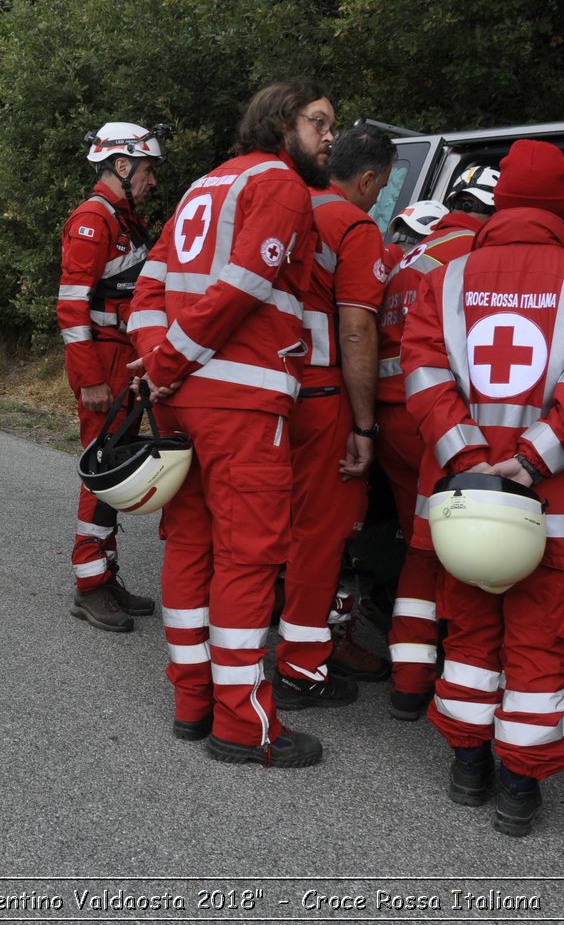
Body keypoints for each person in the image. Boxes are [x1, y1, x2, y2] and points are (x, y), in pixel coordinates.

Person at [401, 139, 564, 836]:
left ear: (500, 201)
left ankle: (468, 762)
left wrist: (469, 454)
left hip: (464, 499)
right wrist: (533, 458)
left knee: (470, 630)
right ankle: (517, 786)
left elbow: (421, 373)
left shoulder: (446, 279)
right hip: (552, 504)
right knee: (540, 642)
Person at [127, 80, 330, 767]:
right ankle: (244, 725)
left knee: (189, 544)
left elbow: (148, 288)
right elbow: (243, 285)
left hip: (182, 402)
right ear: (281, 125)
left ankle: (193, 700)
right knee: (248, 557)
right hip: (242, 405)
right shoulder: (280, 185)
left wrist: (159, 363)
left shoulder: (203, 185)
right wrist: (171, 360)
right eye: (318, 123)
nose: (329, 136)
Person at [272, 123, 394, 707]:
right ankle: (300, 667)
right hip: (323, 397)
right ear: (368, 179)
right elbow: (356, 328)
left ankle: (249, 644)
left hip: (271, 389)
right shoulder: (355, 224)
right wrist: (366, 426)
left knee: (273, 525)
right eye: (380, 186)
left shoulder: (286, 204)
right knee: (321, 535)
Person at [373, 163, 500, 721]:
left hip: (391, 417)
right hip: (437, 420)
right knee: (449, 550)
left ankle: (408, 677)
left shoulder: (413, 251)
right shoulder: (473, 254)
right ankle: (459, 675)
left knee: (419, 541)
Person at [59, 121, 165, 631]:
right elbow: (72, 307)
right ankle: (89, 584)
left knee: (116, 467)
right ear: (121, 166)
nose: (152, 181)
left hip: (120, 361)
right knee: (103, 473)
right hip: (102, 364)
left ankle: (105, 573)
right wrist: (90, 379)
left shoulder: (123, 219)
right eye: (147, 170)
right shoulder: (93, 219)